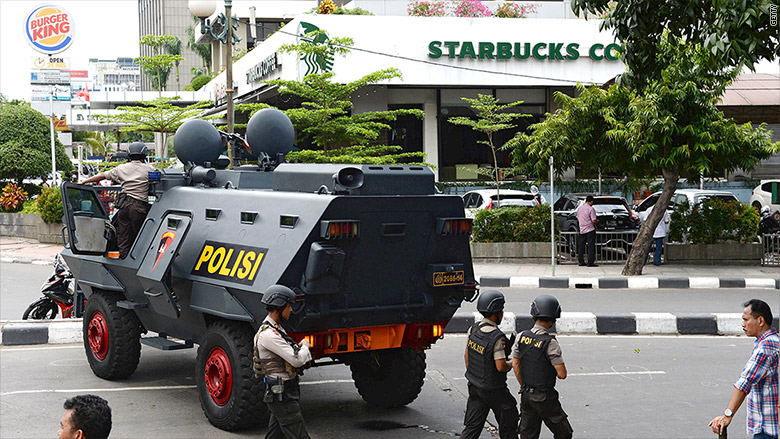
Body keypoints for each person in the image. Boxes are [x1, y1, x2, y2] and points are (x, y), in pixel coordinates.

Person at [709, 299, 778, 439]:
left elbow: (745, 382)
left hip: (767, 428)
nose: (743, 324)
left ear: (760, 320)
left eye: (746, 320)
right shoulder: (775, 340)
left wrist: (727, 415)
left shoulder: (765, 348)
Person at [254, 285, 312, 439]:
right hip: (282, 395)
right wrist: (305, 347)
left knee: (275, 436)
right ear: (279, 307)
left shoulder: (277, 330)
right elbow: (297, 360)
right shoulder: (269, 334)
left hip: (282, 392)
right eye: (288, 306)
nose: (291, 310)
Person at [512, 295, 573, 439]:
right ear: (553, 319)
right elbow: (562, 374)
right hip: (544, 397)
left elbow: (515, 364)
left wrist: (525, 386)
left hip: (526, 394)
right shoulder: (550, 343)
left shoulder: (521, 336)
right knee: (564, 433)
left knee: (528, 435)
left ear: (534, 315)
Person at [461, 290, 519, 439]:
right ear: (497, 313)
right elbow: (500, 366)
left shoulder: (473, 329)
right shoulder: (496, 337)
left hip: (475, 386)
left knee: (472, 427)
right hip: (493, 389)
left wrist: (476, 376)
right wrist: (513, 362)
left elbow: (467, 356)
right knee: (509, 417)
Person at [81, 143, 154, 259]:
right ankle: (138, 262)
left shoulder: (121, 168)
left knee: (123, 237)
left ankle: (124, 261)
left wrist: (83, 182)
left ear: (129, 155)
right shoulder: (149, 169)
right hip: (139, 207)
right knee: (140, 237)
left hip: (124, 206)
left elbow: (102, 176)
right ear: (144, 155)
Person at [576, 195, 598, 267]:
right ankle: (590, 262)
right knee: (590, 247)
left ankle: (581, 261)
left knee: (581, 246)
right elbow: (593, 220)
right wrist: (597, 221)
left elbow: (578, 218)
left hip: (582, 229)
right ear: (591, 201)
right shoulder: (591, 209)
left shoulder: (579, 208)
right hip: (590, 229)